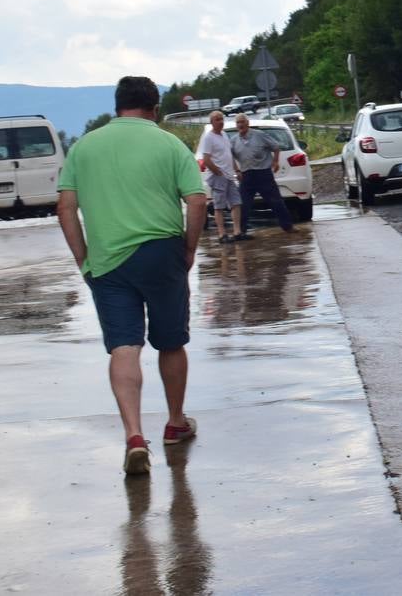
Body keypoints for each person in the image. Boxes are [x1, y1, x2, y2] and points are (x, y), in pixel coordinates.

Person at [56, 76, 207, 475]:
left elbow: (65, 209)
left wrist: (83, 259)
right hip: (162, 253)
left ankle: (134, 436)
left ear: (117, 105)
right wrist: (189, 249)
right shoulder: (169, 143)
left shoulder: (84, 147)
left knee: (124, 347)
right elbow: (196, 201)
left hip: (107, 261)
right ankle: (175, 423)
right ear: (154, 107)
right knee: (171, 343)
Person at [230, 113, 294, 235]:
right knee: (243, 204)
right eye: (238, 123)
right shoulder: (233, 140)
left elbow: (275, 147)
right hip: (246, 176)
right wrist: (236, 170)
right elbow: (229, 156)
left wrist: (275, 162)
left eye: (242, 122)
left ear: (247, 123)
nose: (240, 125)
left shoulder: (259, 135)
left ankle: (288, 227)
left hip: (263, 174)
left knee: (276, 202)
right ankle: (241, 232)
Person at [197, 110, 250, 244]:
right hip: (218, 176)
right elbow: (206, 159)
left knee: (236, 202)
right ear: (212, 122)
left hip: (229, 175)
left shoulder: (224, 135)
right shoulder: (209, 138)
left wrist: (237, 170)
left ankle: (237, 232)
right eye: (217, 119)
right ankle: (222, 234)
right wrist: (217, 171)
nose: (220, 122)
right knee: (219, 206)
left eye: (221, 119)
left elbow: (229, 155)